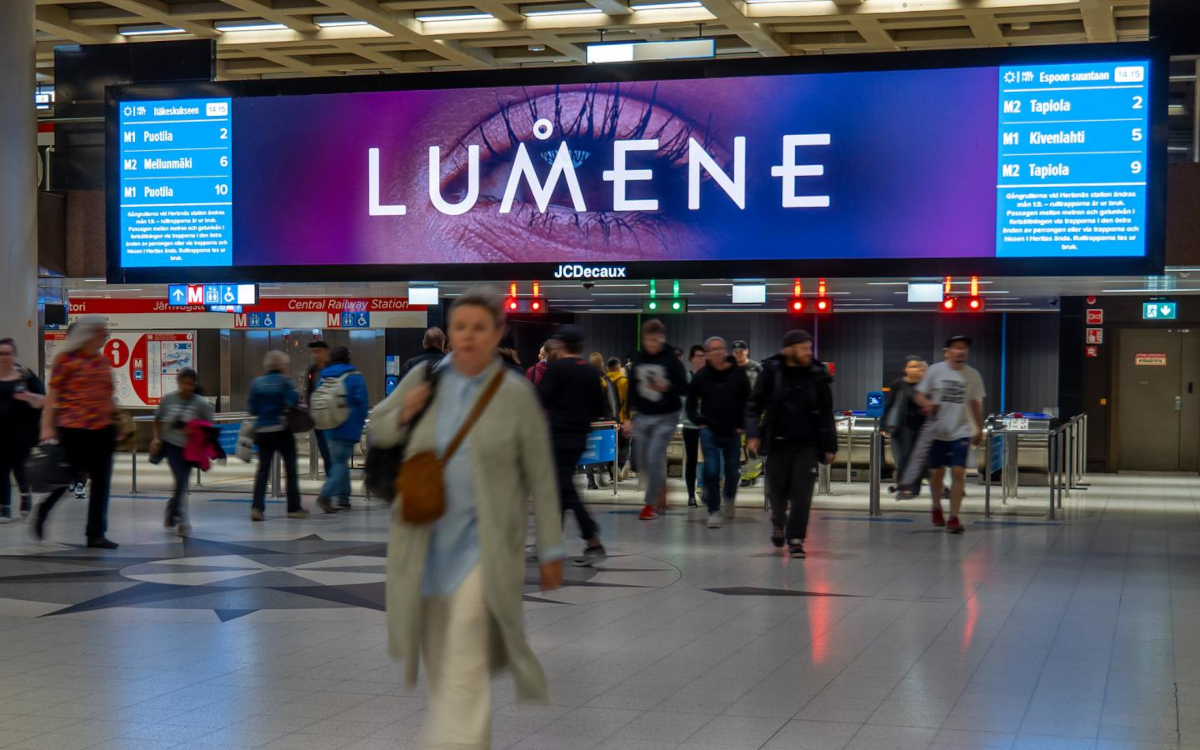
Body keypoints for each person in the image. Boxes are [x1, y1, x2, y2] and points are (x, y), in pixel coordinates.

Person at [367, 286, 564, 749]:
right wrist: (404, 415)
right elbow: (376, 425)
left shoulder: (514, 395)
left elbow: (541, 473)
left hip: (485, 546)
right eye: (460, 327)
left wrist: (552, 547)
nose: (469, 337)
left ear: (498, 332)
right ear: (449, 332)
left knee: (465, 654)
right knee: (444, 666)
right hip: (425, 542)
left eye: (480, 328)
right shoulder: (426, 380)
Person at [745, 330, 837, 559]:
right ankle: (778, 521)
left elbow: (826, 412)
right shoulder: (772, 372)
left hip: (808, 443)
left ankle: (796, 539)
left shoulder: (817, 374)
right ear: (789, 349)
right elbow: (753, 404)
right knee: (777, 491)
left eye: (809, 348)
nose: (808, 353)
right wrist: (753, 432)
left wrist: (830, 446)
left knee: (802, 493)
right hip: (777, 442)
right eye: (804, 348)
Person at [34, 316, 120, 548]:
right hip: (73, 430)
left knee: (102, 483)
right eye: (101, 331)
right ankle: (44, 509)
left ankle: (95, 533)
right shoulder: (66, 360)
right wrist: (47, 426)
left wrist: (117, 424)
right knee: (66, 477)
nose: (105, 335)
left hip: (103, 430)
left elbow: (107, 396)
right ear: (89, 334)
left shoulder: (102, 361)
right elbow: (54, 394)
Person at [538, 325, 608, 565]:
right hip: (579, 438)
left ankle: (592, 540)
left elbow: (540, 400)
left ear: (562, 344)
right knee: (562, 488)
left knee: (566, 489)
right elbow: (600, 409)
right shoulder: (591, 372)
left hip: (557, 438)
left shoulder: (556, 370)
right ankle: (551, 541)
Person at [913, 336, 985, 534]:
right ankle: (936, 507)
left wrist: (979, 428)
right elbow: (919, 394)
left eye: (964, 349)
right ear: (948, 351)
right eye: (956, 348)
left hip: (960, 431)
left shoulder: (973, 375)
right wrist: (926, 404)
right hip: (938, 431)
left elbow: (975, 404)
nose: (960, 352)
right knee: (937, 474)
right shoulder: (936, 371)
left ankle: (953, 517)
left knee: (958, 472)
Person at [625, 319, 688, 521]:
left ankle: (649, 504)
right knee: (641, 460)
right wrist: (628, 417)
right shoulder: (639, 359)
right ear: (644, 339)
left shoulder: (670, 359)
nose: (652, 344)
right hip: (643, 415)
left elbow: (684, 388)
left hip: (667, 416)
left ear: (662, 339)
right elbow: (632, 389)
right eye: (648, 340)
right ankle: (660, 485)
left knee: (654, 455)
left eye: (656, 340)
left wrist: (666, 386)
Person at [687, 337, 751, 529]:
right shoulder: (702, 376)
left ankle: (729, 497)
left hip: (732, 430)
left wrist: (742, 424)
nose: (718, 352)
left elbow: (748, 400)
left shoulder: (738, 374)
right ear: (707, 354)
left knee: (732, 470)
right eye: (713, 350)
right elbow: (690, 404)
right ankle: (713, 510)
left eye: (721, 349)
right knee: (712, 470)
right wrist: (699, 422)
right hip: (709, 430)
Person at [151, 368, 214, 536]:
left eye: (191, 384)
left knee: (182, 482)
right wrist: (156, 439)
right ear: (178, 383)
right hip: (171, 446)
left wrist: (194, 429)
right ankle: (181, 518)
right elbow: (157, 418)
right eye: (184, 383)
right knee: (180, 479)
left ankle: (173, 511)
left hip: (191, 448)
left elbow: (210, 425)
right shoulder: (169, 399)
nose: (187, 387)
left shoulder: (200, 403)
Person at [248, 350, 308, 521]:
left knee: (262, 471)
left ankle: (257, 508)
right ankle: (293, 507)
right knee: (290, 469)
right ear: (282, 366)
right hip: (282, 430)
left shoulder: (257, 383)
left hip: (262, 432)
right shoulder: (285, 381)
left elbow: (252, 408)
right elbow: (291, 402)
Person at [314, 346, 369, 513]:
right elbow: (363, 404)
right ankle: (326, 494)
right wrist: (358, 425)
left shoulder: (324, 378)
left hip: (328, 426)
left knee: (339, 461)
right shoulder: (354, 377)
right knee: (339, 463)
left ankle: (343, 499)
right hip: (346, 426)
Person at [0, 338, 44, 523]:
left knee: (20, 469)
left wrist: (29, 397)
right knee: (1, 470)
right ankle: (4, 507)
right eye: (0, 354)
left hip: (22, 433)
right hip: (0, 433)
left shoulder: (26, 376)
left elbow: (43, 400)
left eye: (7, 353)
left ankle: (25, 494)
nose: (3, 357)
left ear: (15, 355)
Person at [883, 357, 928, 496]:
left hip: (922, 427)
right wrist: (883, 425)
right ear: (906, 369)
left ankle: (915, 487)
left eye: (917, 367)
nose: (914, 369)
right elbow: (889, 405)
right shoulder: (898, 384)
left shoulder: (925, 385)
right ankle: (903, 486)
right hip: (904, 427)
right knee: (905, 456)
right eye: (911, 366)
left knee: (919, 459)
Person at [681, 344, 706, 507]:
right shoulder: (687, 378)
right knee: (691, 460)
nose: (701, 359)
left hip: (706, 425)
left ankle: (707, 490)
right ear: (691, 359)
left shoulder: (710, 377)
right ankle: (691, 495)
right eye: (698, 356)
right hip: (690, 425)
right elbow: (685, 401)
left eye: (703, 356)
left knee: (710, 459)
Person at [305, 340, 332, 477]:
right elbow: (309, 392)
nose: (315, 355)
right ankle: (332, 480)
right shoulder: (312, 370)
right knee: (325, 453)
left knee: (333, 453)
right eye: (313, 352)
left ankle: (334, 485)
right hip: (318, 419)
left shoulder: (334, 368)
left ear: (326, 352)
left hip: (333, 418)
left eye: (318, 351)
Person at [605, 357, 631, 480]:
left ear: (608, 367)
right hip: (621, 418)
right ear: (618, 367)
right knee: (624, 446)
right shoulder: (624, 382)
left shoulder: (603, 380)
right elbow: (627, 403)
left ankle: (611, 471)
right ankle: (619, 467)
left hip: (606, 420)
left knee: (609, 446)